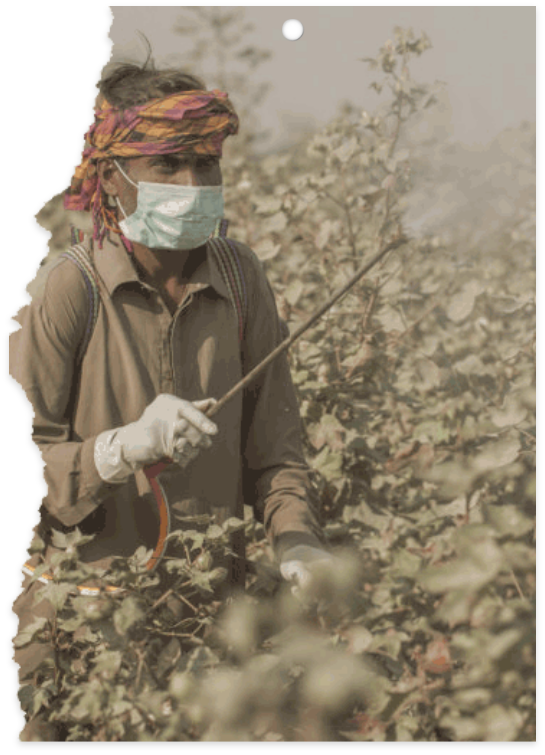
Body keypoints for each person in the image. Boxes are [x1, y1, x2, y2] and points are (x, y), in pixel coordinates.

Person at [9, 60, 334, 741]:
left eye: (204, 165)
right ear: (112, 177)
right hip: (84, 626)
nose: (191, 186)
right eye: (166, 166)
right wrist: (118, 447)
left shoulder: (241, 279)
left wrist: (296, 539)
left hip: (205, 625)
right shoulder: (68, 291)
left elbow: (276, 448)